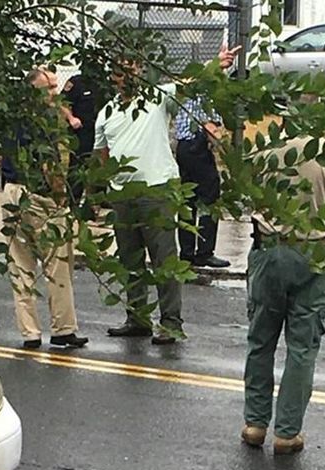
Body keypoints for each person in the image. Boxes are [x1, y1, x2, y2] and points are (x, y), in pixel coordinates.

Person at [96, 46, 240, 345]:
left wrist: (217, 64)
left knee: (164, 260)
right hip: (123, 193)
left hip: (156, 189)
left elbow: (193, 86)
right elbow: (103, 154)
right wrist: (109, 185)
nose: (128, 76)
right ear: (113, 77)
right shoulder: (106, 112)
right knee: (130, 259)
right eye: (121, 71)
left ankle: (171, 322)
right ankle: (137, 317)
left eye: (133, 69)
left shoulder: (156, 97)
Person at [241, 143, 325, 455]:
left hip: (268, 250)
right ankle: (287, 432)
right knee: (302, 346)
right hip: (313, 254)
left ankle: (255, 424)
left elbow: (247, 200)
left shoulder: (264, 153)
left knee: (260, 340)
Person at [1, 68, 88, 349]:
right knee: (57, 261)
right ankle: (62, 329)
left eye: (55, 86)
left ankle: (30, 332)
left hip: (12, 191)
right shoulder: (43, 123)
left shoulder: (13, 118)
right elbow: (49, 165)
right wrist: (60, 197)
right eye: (48, 87)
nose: (54, 92)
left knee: (20, 264)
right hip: (38, 195)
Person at [174, 96, 231, 269]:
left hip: (183, 147)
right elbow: (209, 125)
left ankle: (187, 252)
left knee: (188, 199)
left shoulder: (188, 88)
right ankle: (204, 253)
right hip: (197, 145)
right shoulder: (206, 91)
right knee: (209, 198)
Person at [61, 74, 96, 207]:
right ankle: (73, 202)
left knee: (100, 165)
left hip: (101, 130)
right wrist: (71, 118)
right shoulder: (77, 81)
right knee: (78, 165)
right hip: (82, 131)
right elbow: (62, 102)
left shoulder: (104, 81)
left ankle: (95, 203)